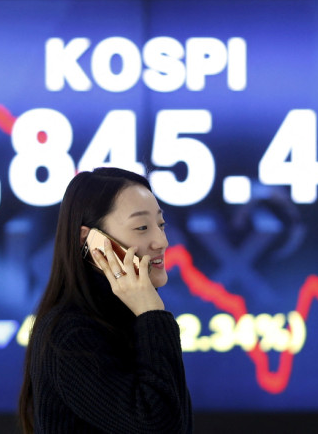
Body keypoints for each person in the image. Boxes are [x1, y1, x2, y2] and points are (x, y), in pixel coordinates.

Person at [18, 167, 193, 433]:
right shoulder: (69, 334)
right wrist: (152, 314)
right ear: (90, 241)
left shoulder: (127, 319)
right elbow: (159, 427)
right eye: (142, 227)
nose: (162, 241)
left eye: (161, 224)